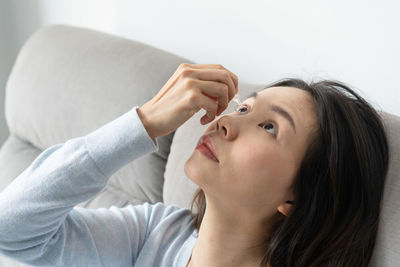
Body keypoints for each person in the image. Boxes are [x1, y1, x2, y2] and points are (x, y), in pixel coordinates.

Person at [0, 63, 389, 267]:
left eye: (269, 127)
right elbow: (11, 229)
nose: (227, 122)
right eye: (243, 107)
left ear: (299, 197)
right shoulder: (157, 234)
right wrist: (145, 122)